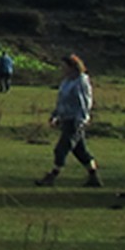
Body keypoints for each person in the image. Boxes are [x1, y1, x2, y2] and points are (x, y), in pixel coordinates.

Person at [35, 54, 100, 187]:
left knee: (61, 149)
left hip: (75, 121)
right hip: (66, 119)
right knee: (80, 151)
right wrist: (56, 115)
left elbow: (85, 102)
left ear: (72, 67)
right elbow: (61, 101)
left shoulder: (81, 81)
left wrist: (81, 120)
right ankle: (94, 177)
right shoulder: (66, 82)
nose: (62, 69)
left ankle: (52, 176)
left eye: (64, 66)